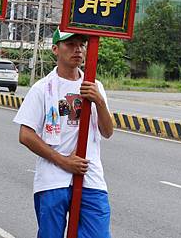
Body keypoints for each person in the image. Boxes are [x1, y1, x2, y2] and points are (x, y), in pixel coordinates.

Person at [13, 29, 114, 238]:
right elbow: (26, 134)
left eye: (81, 45)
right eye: (70, 44)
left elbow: (107, 131)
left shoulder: (95, 86)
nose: (77, 49)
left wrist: (100, 102)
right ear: (55, 49)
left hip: (90, 177)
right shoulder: (42, 88)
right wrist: (63, 161)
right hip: (53, 178)